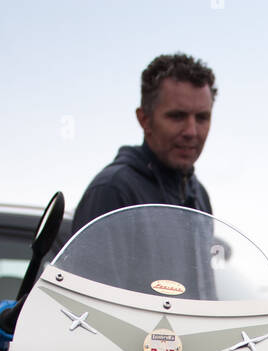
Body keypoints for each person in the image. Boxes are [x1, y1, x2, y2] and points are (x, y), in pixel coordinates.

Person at [72, 53, 217, 233]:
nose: (191, 131)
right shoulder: (113, 190)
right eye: (177, 116)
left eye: (202, 118)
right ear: (145, 119)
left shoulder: (199, 196)